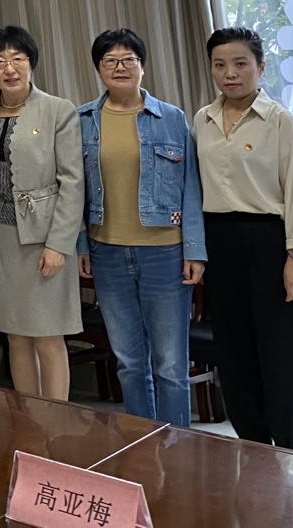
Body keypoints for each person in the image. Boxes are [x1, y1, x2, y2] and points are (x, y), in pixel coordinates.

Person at [193, 26, 293, 450]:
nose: (230, 73)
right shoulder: (203, 119)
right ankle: (252, 445)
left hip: (270, 242)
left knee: (281, 352)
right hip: (220, 242)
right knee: (234, 351)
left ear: (260, 68)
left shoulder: (280, 120)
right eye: (220, 65)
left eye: (240, 63)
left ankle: (291, 450)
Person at [75, 28, 205, 427]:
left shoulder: (171, 119)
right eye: (110, 60)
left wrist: (194, 249)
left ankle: (177, 444)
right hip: (107, 252)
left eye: (128, 59)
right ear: (99, 69)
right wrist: (81, 245)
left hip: (164, 252)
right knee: (130, 362)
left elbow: (191, 188)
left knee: (170, 364)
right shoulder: (83, 121)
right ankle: (141, 442)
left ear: (142, 67)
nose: (120, 67)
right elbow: (76, 190)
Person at [0, 25, 83, 400]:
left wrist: (59, 244)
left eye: (17, 59)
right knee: (15, 335)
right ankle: (29, 419)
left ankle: (56, 418)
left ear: (31, 63)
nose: (9, 68)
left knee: (48, 335)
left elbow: (72, 182)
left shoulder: (58, 110)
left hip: (43, 239)